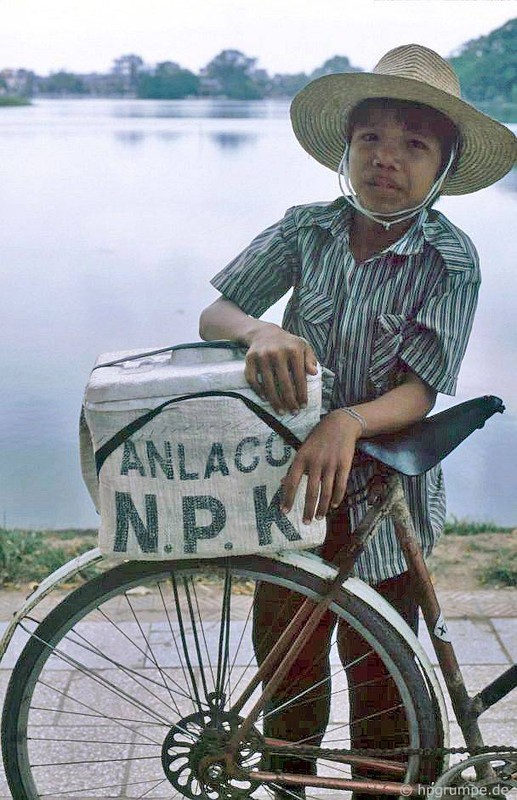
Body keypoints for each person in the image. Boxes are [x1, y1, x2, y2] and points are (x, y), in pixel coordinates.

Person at [198, 44, 517, 798]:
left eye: (413, 144)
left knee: (380, 672)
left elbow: (419, 390)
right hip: (292, 480)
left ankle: (388, 782)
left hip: (381, 488)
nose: (386, 157)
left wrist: (347, 419)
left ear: (440, 168)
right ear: (345, 149)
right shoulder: (306, 229)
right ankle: (286, 781)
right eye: (370, 136)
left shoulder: (448, 257)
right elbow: (218, 311)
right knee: (290, 663)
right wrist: (259, 332)